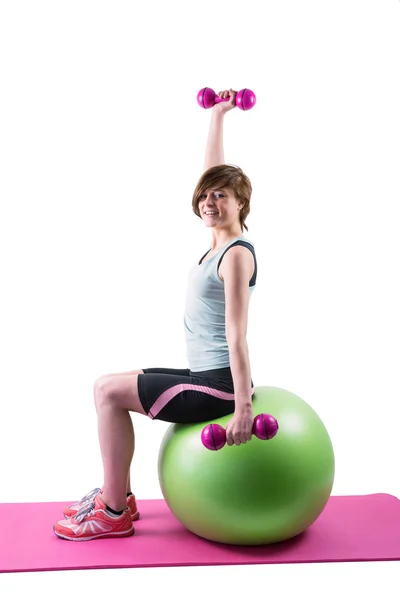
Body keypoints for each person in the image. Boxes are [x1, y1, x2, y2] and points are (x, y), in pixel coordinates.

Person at [53, 88, 258, 541]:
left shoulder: (236, 255)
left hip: (220, 387)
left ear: (241, 202)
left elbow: (238, 336)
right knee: (112, 381)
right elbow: (212, 172)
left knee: (108, 390)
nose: (209, 201)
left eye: (221, 196)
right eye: (206, 195)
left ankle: (111, 511)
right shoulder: (219, 242)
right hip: (205, 373)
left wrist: (243, 406)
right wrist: (218, 115)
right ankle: (119, 495)